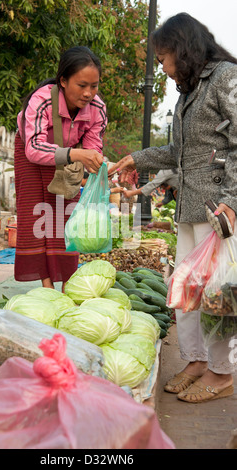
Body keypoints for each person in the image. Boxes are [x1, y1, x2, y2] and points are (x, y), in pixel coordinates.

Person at [108, 13, 237, 403]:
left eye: (164, 58)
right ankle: (197, 360)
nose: (162, 68)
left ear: (183, 50)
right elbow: (178, 154)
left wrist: (232, 201)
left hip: (219, 209)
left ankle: (221, 372)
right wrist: (137, 158)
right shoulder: (188, 90)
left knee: (218, 295)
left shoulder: (226, 78)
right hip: (191, 208)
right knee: (187, 290)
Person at [14, 46, 107, 292]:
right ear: (63, 81)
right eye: (82, 85)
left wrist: (99, 163)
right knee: (35, 214)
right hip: (31, 154)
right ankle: (46, 285)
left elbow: (93, 147)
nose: (89, 93)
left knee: (65, 215)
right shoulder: (42, 99)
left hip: (68, 155)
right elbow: (33, 148)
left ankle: (68, 282)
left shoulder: (97, 109)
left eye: (94, 86)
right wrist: (76, 154)